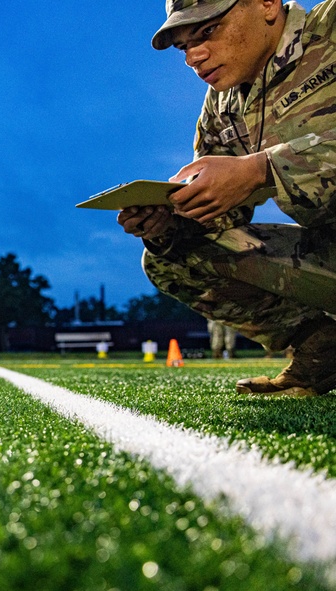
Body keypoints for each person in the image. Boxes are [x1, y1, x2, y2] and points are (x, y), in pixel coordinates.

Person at [119, 0, 336, 396]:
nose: (193, 57)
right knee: (173, 255)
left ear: (267, 4)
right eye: (183, 46)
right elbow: (224, 213)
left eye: (207, 31)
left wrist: (260, 169)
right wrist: (172, 220)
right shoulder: (222, 103)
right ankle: (322, 351)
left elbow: (253, 173)